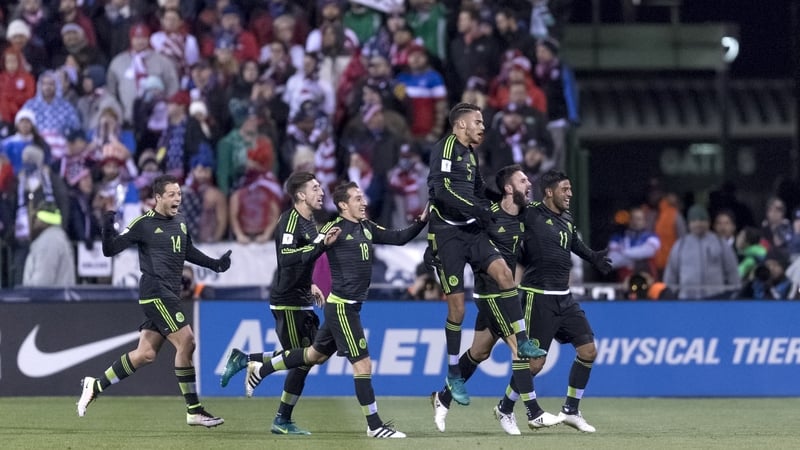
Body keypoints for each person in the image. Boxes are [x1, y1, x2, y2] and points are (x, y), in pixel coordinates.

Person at [243, 181, 427, 439]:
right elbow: (303, 255)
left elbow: (398, 237)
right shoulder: (333, 228)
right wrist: (311, 279)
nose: (363, 202)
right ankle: (375, 426)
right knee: (363, 365)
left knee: (313, 355)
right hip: (342, 308)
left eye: (363, 198)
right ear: (343, 205)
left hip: (345, 308)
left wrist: (421, 222)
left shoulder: (367, 226)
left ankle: (261, 368)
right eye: (357, 198)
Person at [76, 174, 233, 427]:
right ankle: (194, 410)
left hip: (170, 292)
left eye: (179, 194)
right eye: (171, 194)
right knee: (187, 341)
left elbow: (187, 250)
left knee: (145, 354)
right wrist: (107, 225)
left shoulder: (180, 221)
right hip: (155, 292)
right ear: (158, 197)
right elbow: (109, 250)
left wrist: (215, 265)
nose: (177, 198)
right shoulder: (143, 224)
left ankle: (95, 384)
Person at [426, 102, 535, 406]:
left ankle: (523, 342)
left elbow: (477, 189)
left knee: (505, 274)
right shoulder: (444, 149)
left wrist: (497, 199)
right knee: (457, 311)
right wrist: (478, 209)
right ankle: (453, 373)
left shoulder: (471, 155)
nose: (483, 127)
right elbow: (444, 191)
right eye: (478, 122)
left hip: (469, 230)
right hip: (448, 235)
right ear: (460, 125)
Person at [430, 165, 548, 435]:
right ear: (508, 188)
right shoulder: (486, 217)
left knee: (479, 352)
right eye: (523, 180)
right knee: (525, 354)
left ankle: (443, 397)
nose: (529, 184)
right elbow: (458, 239)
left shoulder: (526, 217)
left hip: (507, 296)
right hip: (489, 294)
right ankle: (521, 410)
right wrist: (434, 249)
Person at [220, 171, 339, 434]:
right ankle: (280, 416)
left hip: (301, 297)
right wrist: (320, 246)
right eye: (315, 188)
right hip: (287, 300)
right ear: (301, 195)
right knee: (303, 361)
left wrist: (310, 283)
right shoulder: (289, 221)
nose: (321, 192)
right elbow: (286, 258)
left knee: (308, 357)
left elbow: (300, 260)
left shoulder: (310, 222)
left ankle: (247, 360)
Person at [498, 170, 613, 434]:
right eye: (565, 189)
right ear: (549, 192)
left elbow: (574, 243)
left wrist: (593, 256)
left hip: (565, 297)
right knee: (535, 364)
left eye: (571, 189)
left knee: (588, 352)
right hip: (537, 297)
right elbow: (503, 217)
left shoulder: (567, 218)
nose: (570, 194)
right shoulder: (531, 213)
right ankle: (505, 408)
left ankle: (571, 409)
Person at [663, 204, 740, 299]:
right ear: (689, 224)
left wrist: (735, 293)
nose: (698, 224)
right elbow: (671, 272)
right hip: (687, 299)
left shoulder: (720, 243)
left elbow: (732, 271)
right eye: (694, 221)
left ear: (708, 222)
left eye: (702, 220)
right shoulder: (680, 245)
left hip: (716, 298)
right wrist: (670, 293)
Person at [22, 202, 75, 286]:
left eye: (36, 217)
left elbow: (43, 281)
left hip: (48, 298)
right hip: (56, 297)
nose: (34, 221)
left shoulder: (49, 241)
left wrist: (31, 295)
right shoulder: (55, 237)